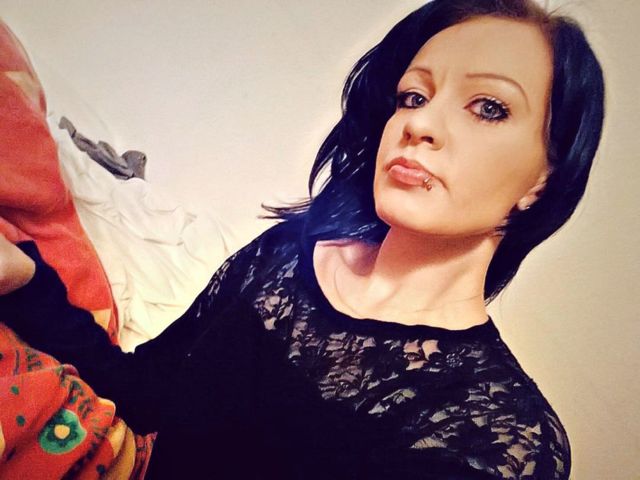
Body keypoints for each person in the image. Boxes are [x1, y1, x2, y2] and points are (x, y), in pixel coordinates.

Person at [0, 0, 604, 478]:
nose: (419, 122)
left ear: (543, 179)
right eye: (413, 96)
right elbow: (141, 393)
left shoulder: (503, 436)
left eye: (489, 107)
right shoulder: (285, 258)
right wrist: (27, 278)